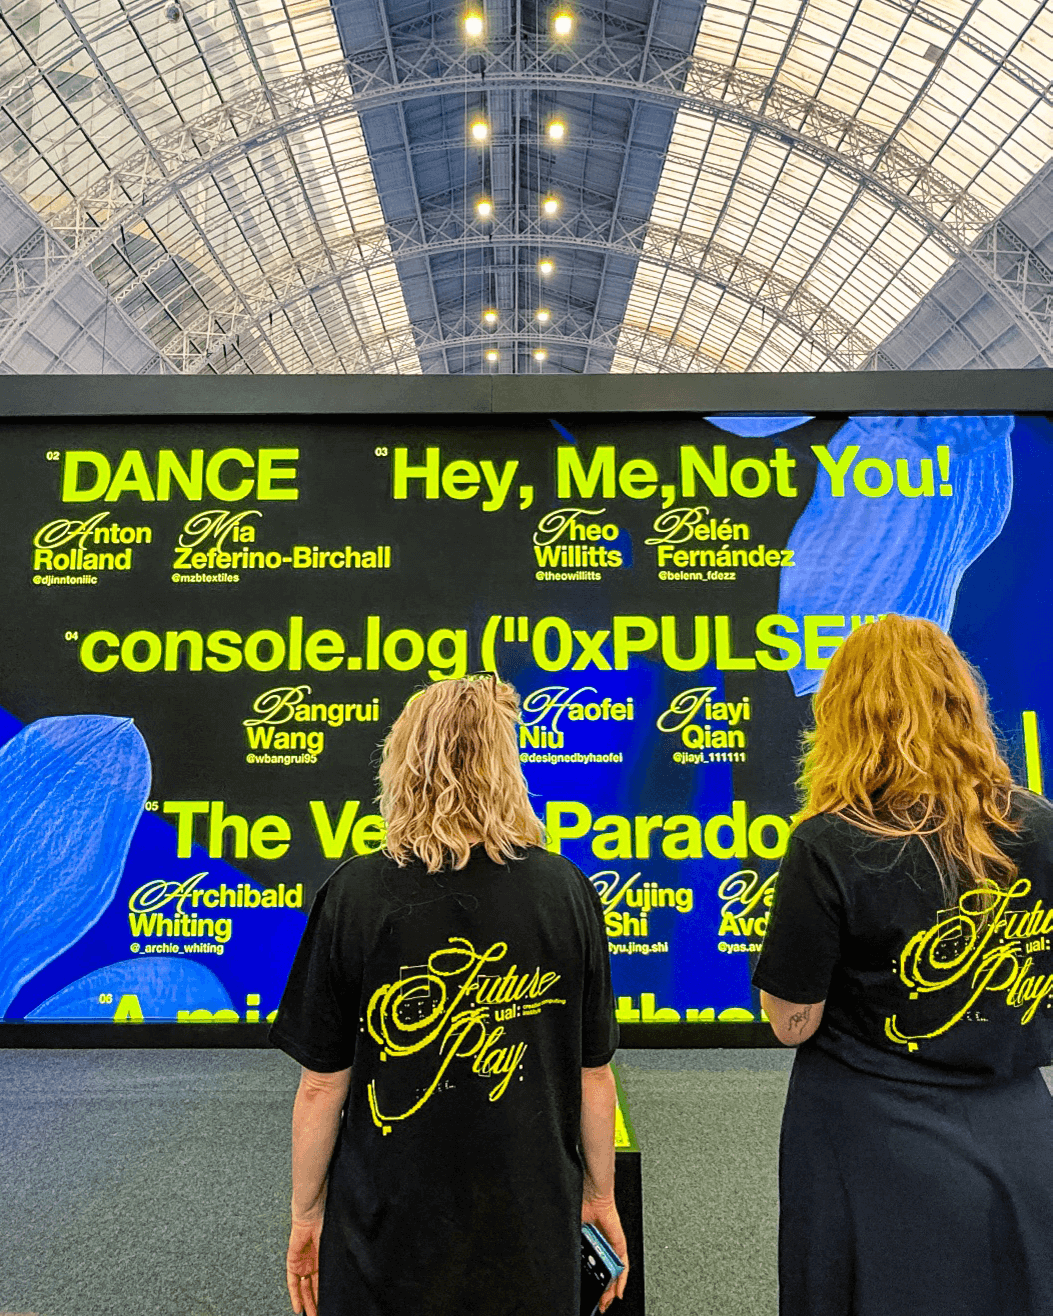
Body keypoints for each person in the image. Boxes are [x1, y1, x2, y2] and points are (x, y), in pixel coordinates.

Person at [269, 673, 628, 1316]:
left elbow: (322, 1086)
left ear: (403, 764)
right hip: (529, 1214)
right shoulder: (567, 890)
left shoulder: (354, 893)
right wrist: (600, 1196)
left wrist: (305, 1213)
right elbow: (593, 1076)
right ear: (507, 766)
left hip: (386, 1220)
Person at [752, 614, 1053, 1316]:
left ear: (844, 716)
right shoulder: (1041, 825)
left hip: (871, 1139)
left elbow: (792, 1023)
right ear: (961, 703)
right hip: (1019, 1125)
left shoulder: (829, 841)